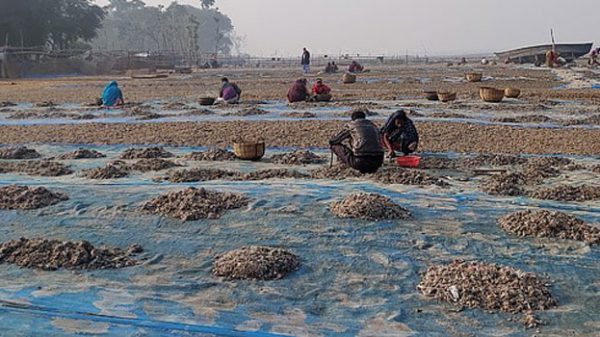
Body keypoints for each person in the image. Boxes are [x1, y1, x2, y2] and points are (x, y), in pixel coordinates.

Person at [329, 109, 384, 174]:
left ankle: (342, 164)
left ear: (353, 119)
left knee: (335, 146)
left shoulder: (351, 125)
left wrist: (331, 141)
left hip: (360, 161)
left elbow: (335, 140)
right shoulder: (373, 126)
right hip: (378, 161)